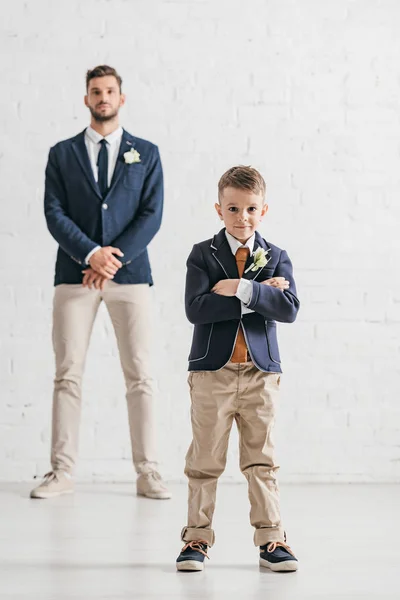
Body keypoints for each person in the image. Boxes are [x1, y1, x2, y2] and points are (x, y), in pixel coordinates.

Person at [31, 65, 170, 500]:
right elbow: (54, 212)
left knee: (141, 375)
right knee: (67, 375)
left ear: (121, 98)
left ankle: (149, 472)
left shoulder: (146, 153)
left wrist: (113, 260)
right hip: (75, 276)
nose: (103, 97)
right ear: (86, 99)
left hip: (131, 279)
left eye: (110, 91)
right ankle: (61, 472)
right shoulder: (62, 153)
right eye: (96, 91)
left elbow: (152, 214)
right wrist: (91, 254)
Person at [176, 165, 300, 571]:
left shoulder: (276, 255)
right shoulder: (203, 254)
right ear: (219, 209)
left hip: (261, 374)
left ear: (263, 210)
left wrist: (240, 287)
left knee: (261, 459)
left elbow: (289, 309)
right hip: (213, 372)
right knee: (204, 460)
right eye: (233, 208)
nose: (241, 217)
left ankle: (272, 540)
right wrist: (262, 294)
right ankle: (196, 539)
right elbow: (197, 309)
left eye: (250, 209)